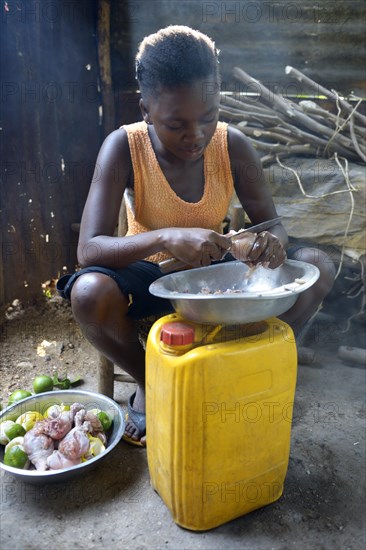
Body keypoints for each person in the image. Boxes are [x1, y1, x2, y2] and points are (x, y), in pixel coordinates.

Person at [57, 25, 335, 446]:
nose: (196, 135)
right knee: (89, 293)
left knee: (319, 267)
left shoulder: (233, 146)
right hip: (148, 276)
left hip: (217, 276)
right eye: (177, 124)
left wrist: (266, 244)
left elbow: (272, 224)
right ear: (146, 108)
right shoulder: (123, 147)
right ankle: (152, 377)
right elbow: (90, 248)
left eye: (208, 117)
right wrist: (166, 237)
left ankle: (248, 366)